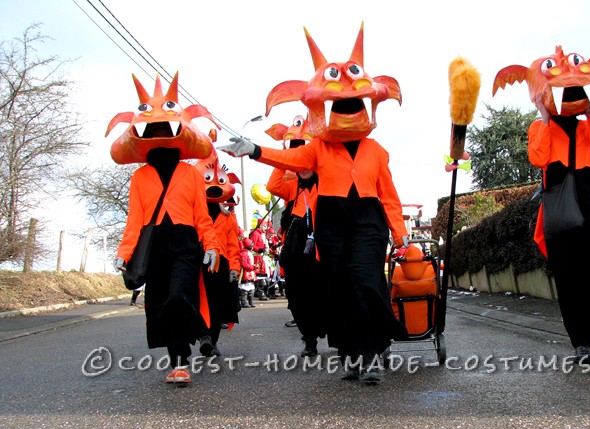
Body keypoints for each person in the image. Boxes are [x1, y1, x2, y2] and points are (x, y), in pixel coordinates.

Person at [219, 24, 408, 383]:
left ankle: (372, 349)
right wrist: (254, 150)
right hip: (332, 221)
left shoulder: (377, 151)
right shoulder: (318, 149)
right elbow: (289, 160)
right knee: (339, 286)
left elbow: (389, 197)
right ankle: (353, 354)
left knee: (365, 280)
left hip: (369, 220)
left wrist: (399, 234)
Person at [494, 46, 590, 364]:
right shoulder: (538, 128)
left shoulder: (588, 126)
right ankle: (582, 342)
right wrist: (544, 118)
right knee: (570, 276)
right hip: (559, 203)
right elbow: (538, 158)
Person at [110, 73, 220, 385]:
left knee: (178, 295)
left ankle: (196, 337)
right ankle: (181, 359)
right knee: (161, 303)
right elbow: (135, 220)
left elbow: (202, 215)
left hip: (186, 243)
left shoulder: (191, 174)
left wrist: (209, 245)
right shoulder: (139, 177)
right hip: (154, 244)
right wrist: (124, 253)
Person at [265, 116, 327, 357]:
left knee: (323, 292)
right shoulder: (292, 187)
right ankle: (308, 339)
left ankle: (330, 331)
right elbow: (272, 185)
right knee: (298, 294)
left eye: (305, 160)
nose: (302, 168)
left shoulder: (326, 183)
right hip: (296, 248)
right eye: (297, 162)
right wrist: (285, 158)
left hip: (321, 246)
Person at [194, 151, 242, 357]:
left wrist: (234, 267)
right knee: (197, 301)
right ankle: (202, 335)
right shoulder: (193, 212)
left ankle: (211, 340)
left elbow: (233, 246)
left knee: (216, 305)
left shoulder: (228, 217)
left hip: (220, 265)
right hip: (197, 262)